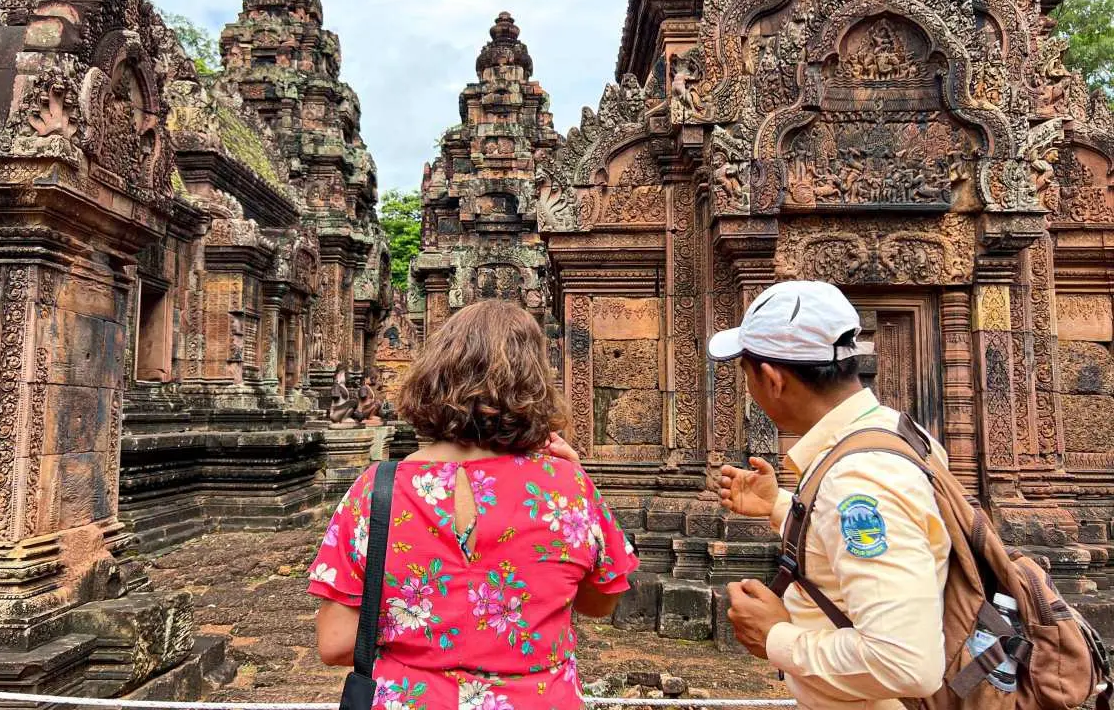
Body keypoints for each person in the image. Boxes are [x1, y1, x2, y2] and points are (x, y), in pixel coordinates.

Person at [308, 300, 639, 710]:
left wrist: (428, 635)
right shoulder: (567, 487)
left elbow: (336, 642)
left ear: (433, 375)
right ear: (534, 382)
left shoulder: (376, 489)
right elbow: (599, 603)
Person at [710, 281, 951, 710]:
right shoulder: (892, 431)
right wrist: (780, 506)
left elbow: (907, 663)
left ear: (771, 378)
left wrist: (777, 637)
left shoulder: (860, 479)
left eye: (746, 374)